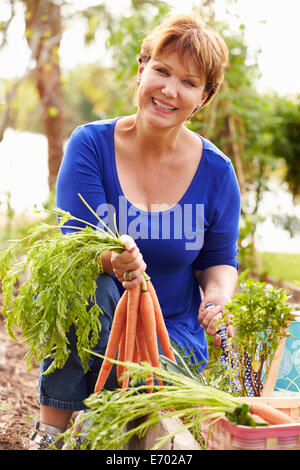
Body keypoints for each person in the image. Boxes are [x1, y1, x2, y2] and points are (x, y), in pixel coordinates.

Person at [29, 13, 240, 449]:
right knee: (83, 286)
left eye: (189, 81)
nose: (169, 90)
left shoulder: (216, 172)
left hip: (170, 336)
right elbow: (74, 249)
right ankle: (51, 432)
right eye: (161, 71)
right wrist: (113, 260)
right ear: (141, 70)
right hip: (97, 321)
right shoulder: (90, 146)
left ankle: (98, 423)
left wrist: (218, 299)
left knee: (132, 428)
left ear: (204, 96)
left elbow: (219, 261)